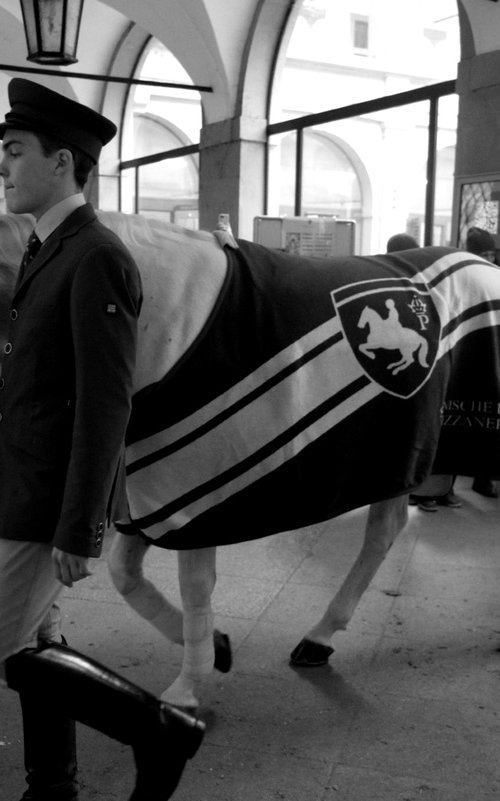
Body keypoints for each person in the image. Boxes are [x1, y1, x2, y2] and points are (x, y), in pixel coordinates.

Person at [0, 78, 204, 801]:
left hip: (45, 496)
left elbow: (105, 402)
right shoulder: (48, 247)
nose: (4, 165)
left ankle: (159, 730)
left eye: (15, 150)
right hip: (22, 483)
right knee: (38, 641)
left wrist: (82, 524)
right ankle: (53, 782)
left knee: (9, 644)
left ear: (62, 162)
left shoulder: (96, 256)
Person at [386, 232, 462, 511]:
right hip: (416, 365)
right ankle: (421, 491)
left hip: (436, 355)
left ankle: (438, 488)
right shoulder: (395, 280)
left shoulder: (431, 281)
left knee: (436, 427)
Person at [463, 227, 500, 498]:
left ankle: (483, 474)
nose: (490, 258)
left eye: (492, 253)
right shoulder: (467, 274)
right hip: (475, 349)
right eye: (485, 253)